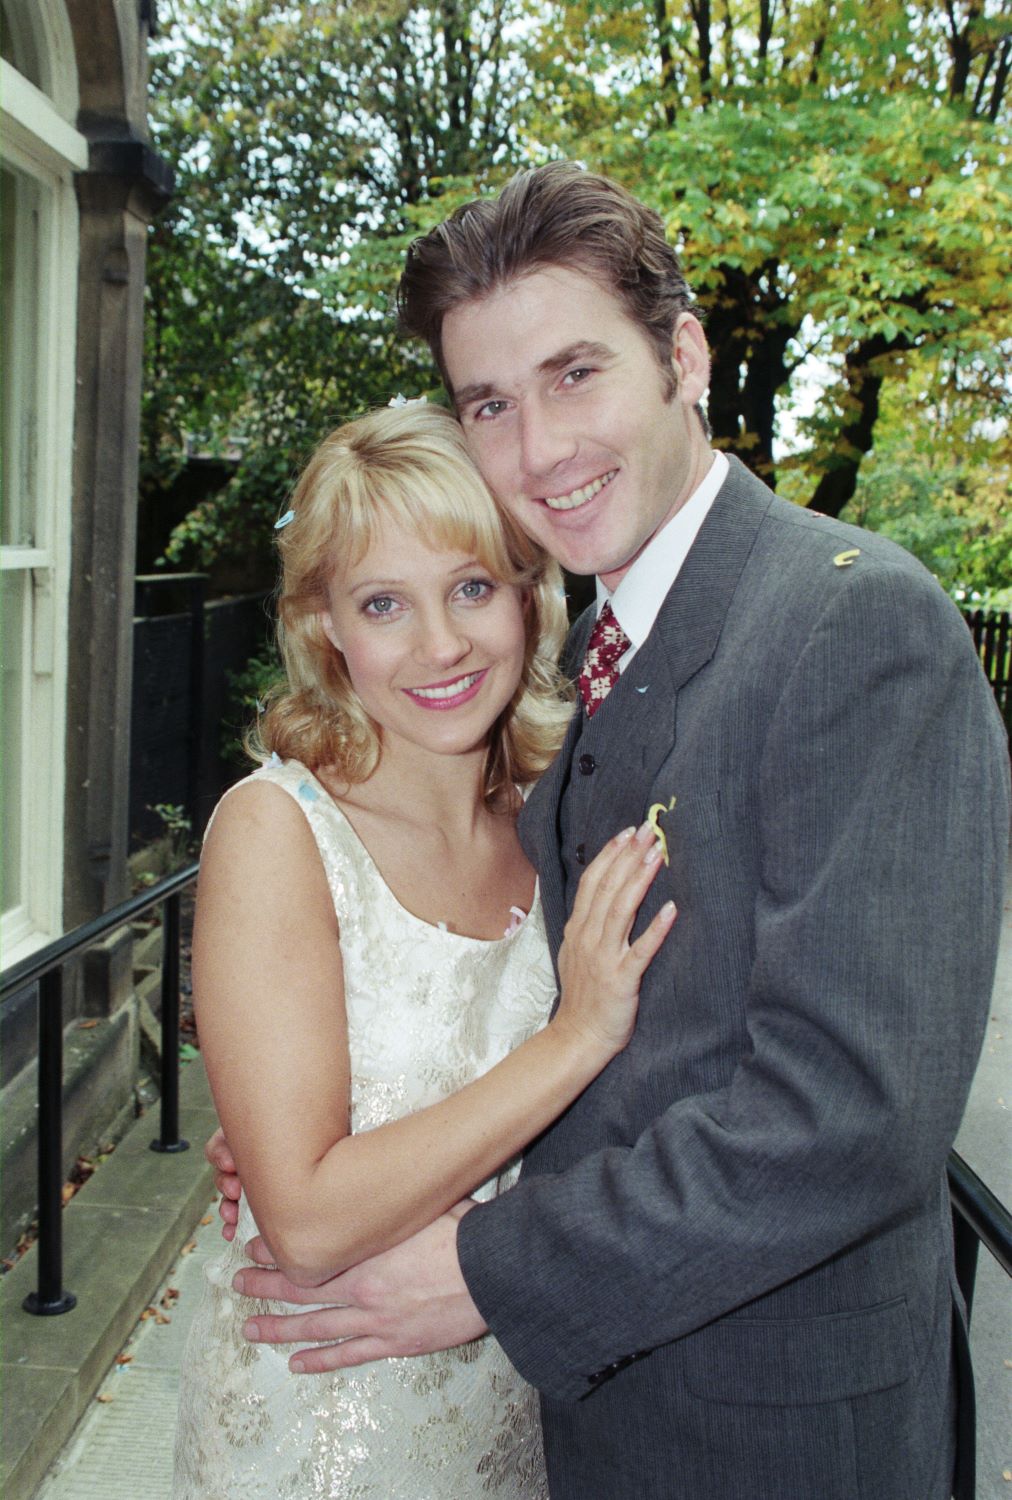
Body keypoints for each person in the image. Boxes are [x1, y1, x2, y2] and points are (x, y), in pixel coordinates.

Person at [210, 165, 1010, 1499]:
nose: (541, 448)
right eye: (491, 404)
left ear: (682, 356)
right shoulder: (588, 660)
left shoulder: (851, 627)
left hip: (767, 1430)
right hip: (578, 1419)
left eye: (577, 374)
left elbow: (851, 1112)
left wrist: (482, 1266)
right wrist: (328, 1117)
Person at [173, 401, 677, 1499]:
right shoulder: (281, 833)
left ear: (532, 596)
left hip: (512, 1409)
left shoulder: (557, 817)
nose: (439, 645)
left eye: (472, 588)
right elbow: (304, 1224)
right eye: (385, 603)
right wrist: (576, 1035)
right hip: (323, 1434)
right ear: (326, 629)